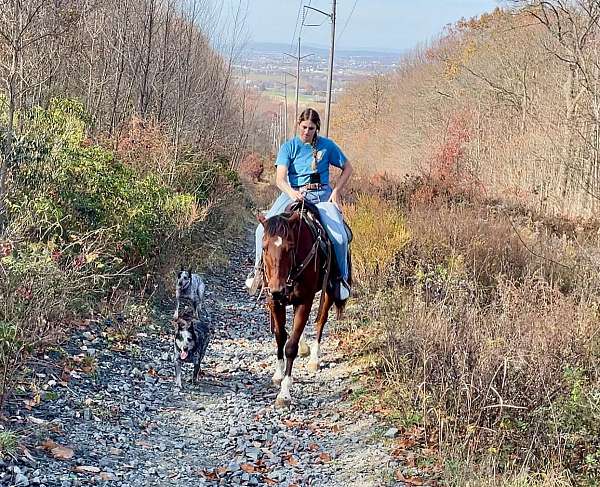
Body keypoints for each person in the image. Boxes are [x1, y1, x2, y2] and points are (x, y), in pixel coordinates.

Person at [245, 107, 353, 299]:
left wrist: (336, 191)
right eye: (304, 127)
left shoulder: (327, 146)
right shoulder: (289, 147)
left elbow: (347, 167)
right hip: (292, 193)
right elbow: (280, 179)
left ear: (316, 128)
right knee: (261, 231)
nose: (306, 132)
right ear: (299, 125)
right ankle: (258, 273)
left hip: (321, 195)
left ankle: (340, 280)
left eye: (311, 128)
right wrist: (293, 193)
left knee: (340, 237)